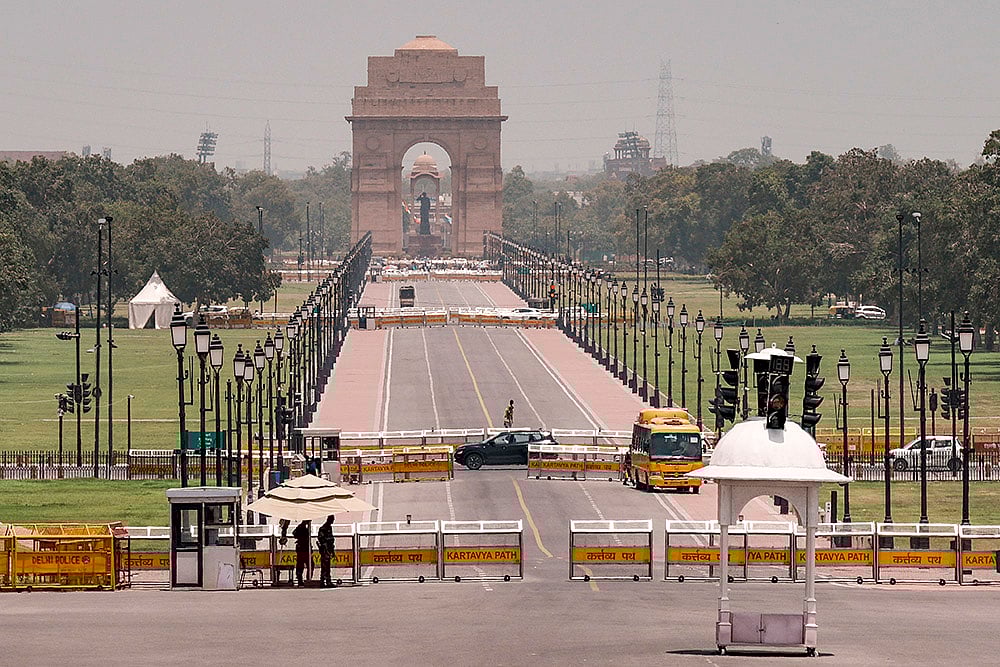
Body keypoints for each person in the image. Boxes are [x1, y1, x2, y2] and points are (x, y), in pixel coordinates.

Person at [317, 515, 336, 588]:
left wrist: (332, 551)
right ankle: (323, 581)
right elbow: (322, 539)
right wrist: (326, 549)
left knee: (327, 566)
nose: (333, 521)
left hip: (329, 548)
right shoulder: (323, 528)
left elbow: (331, 540)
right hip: (325, 549)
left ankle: (328, 581)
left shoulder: (329, 527)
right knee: (324, 566)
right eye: (332, 519)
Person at [292, 520, 311, 587]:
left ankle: (306, 579)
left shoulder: (304, 527)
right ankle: (302, 580)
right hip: (302, 549)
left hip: (305, 549)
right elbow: (294, 534)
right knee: (301, 565)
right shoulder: (301, 527)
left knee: (307, 565)